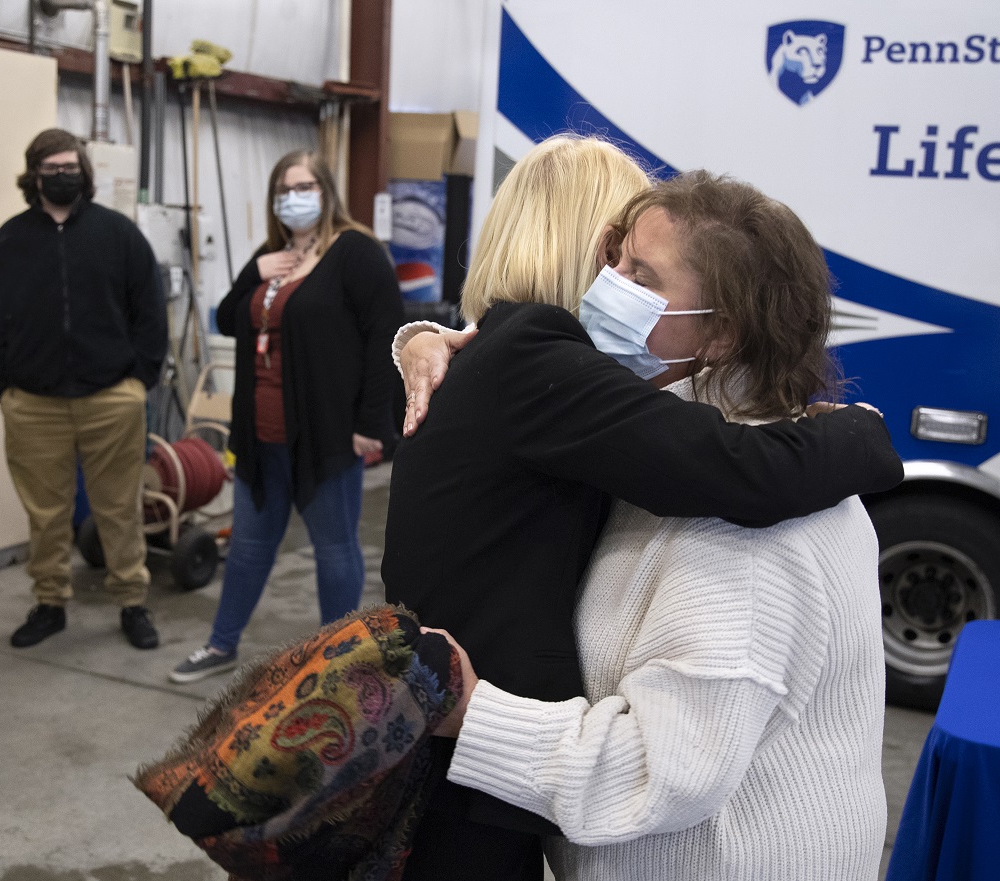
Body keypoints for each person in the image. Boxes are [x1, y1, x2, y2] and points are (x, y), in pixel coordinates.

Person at [379, 135, 902, 881]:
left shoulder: (738, 527)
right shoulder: (551, 373)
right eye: (613, 256)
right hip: (471, 793)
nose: (610, 284)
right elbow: (733, 463)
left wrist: (866, 433)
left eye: (637, 271)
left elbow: (740, 471)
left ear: (721, 332)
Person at [169, 150, 405, 683]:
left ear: (325, 192)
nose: (293, 198)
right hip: (260, 432)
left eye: (303, 186)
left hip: (324, 433)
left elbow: (383, 340)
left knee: (335, 546)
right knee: (250, 542)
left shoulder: (356, 252)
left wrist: (373, 424)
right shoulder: (270, 254)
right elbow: (230, 318)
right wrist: (254, 274)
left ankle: (337, 662)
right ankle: (220, 645)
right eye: (283, 190)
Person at [0, 128, 167, 650]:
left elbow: (150, 310)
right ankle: (49, 602)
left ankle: (131, 601)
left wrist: (139, 380)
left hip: (111, 399)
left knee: (119, 506)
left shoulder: (119, 235)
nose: (63, 175)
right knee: (45, 512)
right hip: (33, 405)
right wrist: (3, 387)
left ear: (84, 172)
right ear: (34, 175)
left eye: (70, 166)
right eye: (52, 167)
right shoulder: (11, 240)